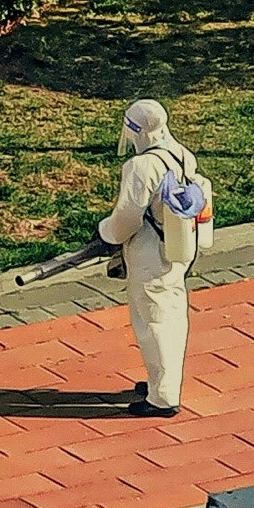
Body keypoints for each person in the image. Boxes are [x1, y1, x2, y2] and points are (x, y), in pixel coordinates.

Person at [100, 94, 212, 414]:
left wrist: (106, 233)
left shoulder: (140, 166)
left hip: (150, 251)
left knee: (153, 321)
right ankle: (162, 381)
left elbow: (127, 218)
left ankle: (162, 398)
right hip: (179, 244)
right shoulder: (181, 154)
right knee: (174, 314)